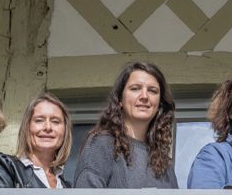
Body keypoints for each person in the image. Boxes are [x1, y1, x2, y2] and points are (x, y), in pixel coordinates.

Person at [76, 60, 178, 188]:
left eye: (152, 91)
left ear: (159, 104)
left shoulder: (163, 161)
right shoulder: (102, 144)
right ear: (120, 100)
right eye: (135, 89)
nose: (144, 96)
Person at [0, 92, 74, 189]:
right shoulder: (4, 167)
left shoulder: (67, 187)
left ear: (65, 131)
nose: (48, 127)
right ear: (27, 127)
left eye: (55, 121)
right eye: (39, 120)